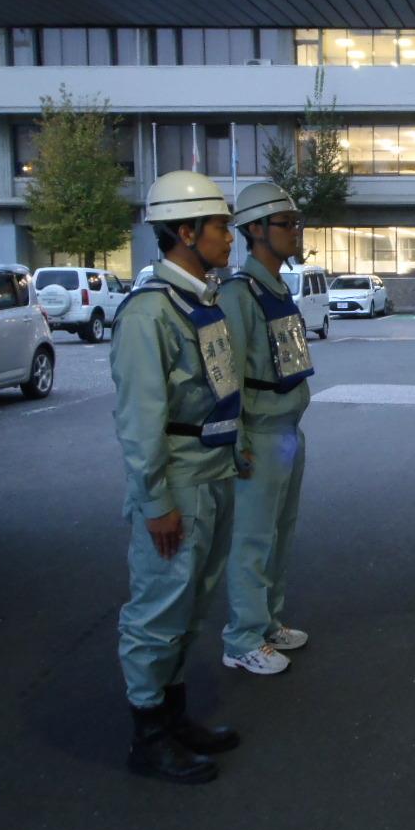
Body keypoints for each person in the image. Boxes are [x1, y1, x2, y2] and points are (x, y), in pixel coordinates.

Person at [112, 171, 242, 782]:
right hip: (179, 482)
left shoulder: (202, 299)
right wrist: (156, 499)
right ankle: (147, 735)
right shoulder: (150, 312)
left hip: (213, 472)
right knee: (158, 609)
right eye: (219, 226)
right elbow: (140, 421)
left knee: (192, 604)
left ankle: (175, 714)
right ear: (184, 231)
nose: (229, 235)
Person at [218, 183, 314, 677]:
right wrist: (234, 439)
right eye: (285, 223)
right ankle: (242, 637)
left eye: (296, 222)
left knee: (280, 532)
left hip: (286, 429)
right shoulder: (240, 293)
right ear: (254, 230)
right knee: (252, 539)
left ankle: (268, 622)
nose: (295, 231)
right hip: (258, 432)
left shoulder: (275, 288)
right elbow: (227, 374)